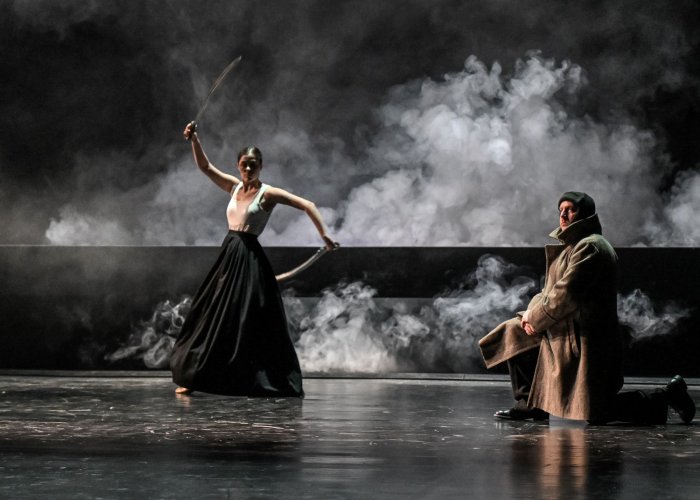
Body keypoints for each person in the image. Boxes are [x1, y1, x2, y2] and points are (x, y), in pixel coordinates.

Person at [479, 191, 696, 424]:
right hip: (564, 329)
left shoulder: (591, 247)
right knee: (515, 330)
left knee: (596, 412)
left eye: (570, 210)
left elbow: (566, 294)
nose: (563, 215)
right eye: (561, 210)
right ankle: (529, 405)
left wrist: (535, 317)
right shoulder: (572, 246)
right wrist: (529, 316)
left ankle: (668, 396)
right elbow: (548, 292)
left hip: (586, 339)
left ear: (585, 214)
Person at [170, 121, 338, 397]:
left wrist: (325, 235)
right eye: (244, 165)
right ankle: (195, 376)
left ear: (261, 166)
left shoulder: (267, 193)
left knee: (246, 317)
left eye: (253, 165)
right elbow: (206, 167)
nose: (248, 170)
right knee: (211, 313)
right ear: (238, 166)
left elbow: (307, 204)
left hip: (248, 257)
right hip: (229, 254)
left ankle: (249, 378)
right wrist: (194, 139)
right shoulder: (235, 188)